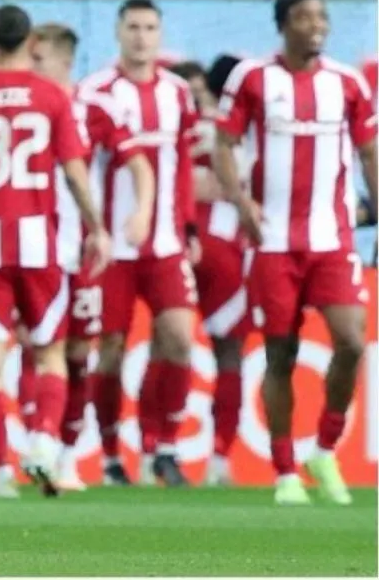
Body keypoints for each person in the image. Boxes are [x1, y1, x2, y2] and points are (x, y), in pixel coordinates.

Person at [0, 6, 112, 499]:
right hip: (40, 245)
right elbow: (74, 172)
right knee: (50, 352)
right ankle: (44, 444)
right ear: (30, 43)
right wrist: (97, 228)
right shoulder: (53, 96)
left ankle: (0, 474)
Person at [214, 0, 377, 506]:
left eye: (322, 16)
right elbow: (224, 143)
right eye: (305, 16)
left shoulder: (347, 83)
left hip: (331, 239)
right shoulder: (252, 79)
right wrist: (241, 203)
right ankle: (284, 469)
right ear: (283, 24)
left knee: (351, 342)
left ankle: (323, 448)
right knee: (280, 354)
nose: (316, 25)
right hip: (273, 242)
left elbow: (369, 150)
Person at [78, 0, 200, 488]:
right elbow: (82, 167)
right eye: (133, 26)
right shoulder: (96, 93)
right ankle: (110, 455)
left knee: (178, 339)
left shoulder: (177, 93)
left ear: (160, 34)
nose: (142, 36)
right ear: (117, 32)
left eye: (150, 27)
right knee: (110, 347)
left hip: (166, 243)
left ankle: (161, 446)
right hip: (112, 248)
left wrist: (188, 227)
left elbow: (186, 165)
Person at [29, 23, 154, 491]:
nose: (31, 68)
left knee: (79, 354)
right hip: (30, 248)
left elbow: (138, 163)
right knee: (39, 348)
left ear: (63, 62)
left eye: (39, 60)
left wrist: (141, 211)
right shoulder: (22, 106)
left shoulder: (93, 109)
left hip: (79, 253)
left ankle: (63, 455)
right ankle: (28, 448)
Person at [170, 56, 248, 486]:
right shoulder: (236, 131)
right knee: (226, 352)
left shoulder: (168, 129)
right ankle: (219, 457)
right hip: (219, 244)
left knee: (168, 345)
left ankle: (154, 447)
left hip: (175, 243)